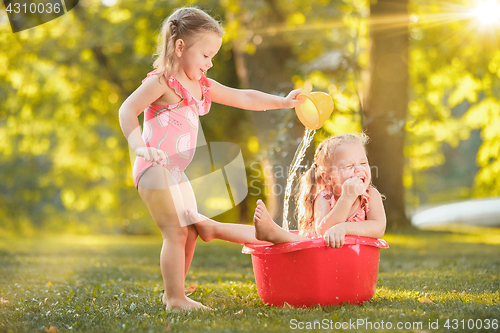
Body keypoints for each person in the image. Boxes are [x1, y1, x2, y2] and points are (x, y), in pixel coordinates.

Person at [118, 7, 303, 311]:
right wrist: (138, 146)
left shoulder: (201, 86)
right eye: (205, 55)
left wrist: (283, 102)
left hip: (175, 172)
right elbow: (127, 110)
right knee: (176, 231)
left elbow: (244, 97)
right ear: (180, 47)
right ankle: (175, 299)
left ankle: (175, 292)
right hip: (153, 167)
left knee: (190, 231)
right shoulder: (162, 82)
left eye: (212, 56)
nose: (210, 62)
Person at [188, 133, 386, 250]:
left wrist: (344, 229)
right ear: (327, 178)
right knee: (293, 240)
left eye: (363, 163)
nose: (359, 169)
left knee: (282, 236)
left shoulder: (370, 196)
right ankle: (215, 228)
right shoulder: (325, 197)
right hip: (318, 258)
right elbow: (324, 231)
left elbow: (378, 227)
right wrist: (346, 198)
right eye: (349, 166)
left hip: (350, 263)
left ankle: (270, 232)